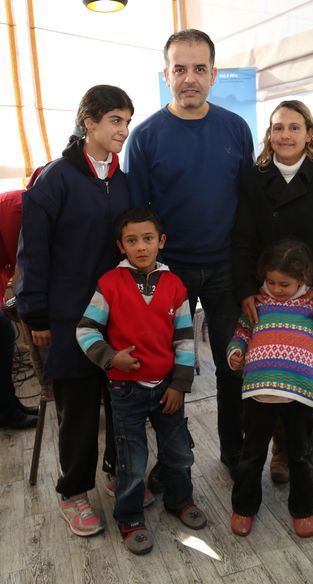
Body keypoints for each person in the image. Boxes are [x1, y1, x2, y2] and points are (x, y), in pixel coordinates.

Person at [124, 28, 254, 487]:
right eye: (180, 69)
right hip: (169, 271)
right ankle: (172, 460)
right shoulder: (144, 137)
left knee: (232, 364)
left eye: (200, 69)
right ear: (167, 75)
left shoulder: (236, 129)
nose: (190, 78)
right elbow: (137, 217)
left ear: (214, 75)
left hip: (225, 268)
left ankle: (234, 451)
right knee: (164, 369)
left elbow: (248, 203)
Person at [16, 84, 134, 536]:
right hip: (69, 316)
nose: (123, 130)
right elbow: (33, 252)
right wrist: (37, 314)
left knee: (121, 401)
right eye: (115, 120)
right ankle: (73, 491)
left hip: (118, 313)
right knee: (79, 411)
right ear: (90, 123)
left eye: (127, 121)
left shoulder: (123, 180)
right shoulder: (54, 179)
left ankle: (116, 471)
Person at [232, 99, 313, 489]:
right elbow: (242, 240)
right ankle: (282, 448)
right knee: (272, 370)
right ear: (269, 135)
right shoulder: (253, 178)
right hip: (270, 295)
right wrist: (246, 290)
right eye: (278, 127)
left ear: (310, 133)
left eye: (294, 127)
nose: (285, 135)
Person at [76, 206, 207, 555]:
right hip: (125, 389)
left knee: (178, 453)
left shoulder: (175, 286)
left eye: (147, 238)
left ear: (160, 241)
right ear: (121, 246)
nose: (141, 246)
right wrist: (110, 357)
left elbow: (184, 339)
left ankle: (180, 500)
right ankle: (130, 517)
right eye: (132, 241)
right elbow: (85, 330)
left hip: (167, 388)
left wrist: (179, 385)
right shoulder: (110, 284)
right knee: (131, 461)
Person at [228, 239, 313, 538]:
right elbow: (241, 334)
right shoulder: (257, 302)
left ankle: (304, 508)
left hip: (299, 394)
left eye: (284, 284)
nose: (276, 288)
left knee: (301, 456)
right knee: (251, 455)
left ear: (302, 278)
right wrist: (235, 352)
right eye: (271, 281)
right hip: (258, 392)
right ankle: (244, 506)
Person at [0, 189, 38, 429]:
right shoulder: (19, 207)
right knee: (3, 332)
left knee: (4, 334)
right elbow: (21, 259)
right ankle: (6, 411)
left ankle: (10, 405)